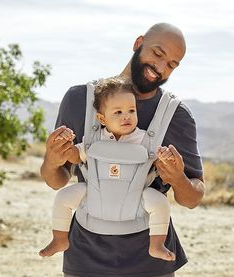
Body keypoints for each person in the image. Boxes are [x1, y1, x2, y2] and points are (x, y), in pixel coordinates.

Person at [41, 22, 205, 277]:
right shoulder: (79, 101)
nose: (160, 68)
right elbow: (56, 180)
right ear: (138, 43)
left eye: (172, 64)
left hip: (150, 265)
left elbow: (193, 198)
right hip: (85, 258)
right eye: (157, 54)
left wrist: (178, 179)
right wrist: (52, 160)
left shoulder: (176, 116)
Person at [39, 76, 177, 261]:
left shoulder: (145, 140)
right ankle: (60, 239)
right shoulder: (94, 140)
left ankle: (157, 245)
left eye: (131, 110)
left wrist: (166, 158)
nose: (126, 116)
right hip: (94, 193)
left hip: (137, 198)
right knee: (63, 197)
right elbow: (75, 156)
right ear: (101, 119)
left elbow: (158, 161)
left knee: (160, 202)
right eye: (118, 112)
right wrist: (67, 146)